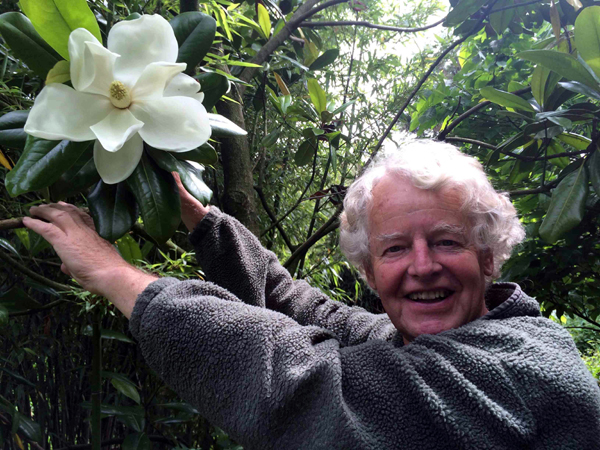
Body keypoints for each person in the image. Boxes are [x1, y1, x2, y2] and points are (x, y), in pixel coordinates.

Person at [23, 140, 600, 449]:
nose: (422, 267)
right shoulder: (421, 335)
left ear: (488, 256)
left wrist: (115, 274)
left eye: (446, 241)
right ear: (370, 273)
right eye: (395, 249)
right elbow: (301, 305)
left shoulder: (522, 368)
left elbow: (304, 380)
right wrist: (204, 223)